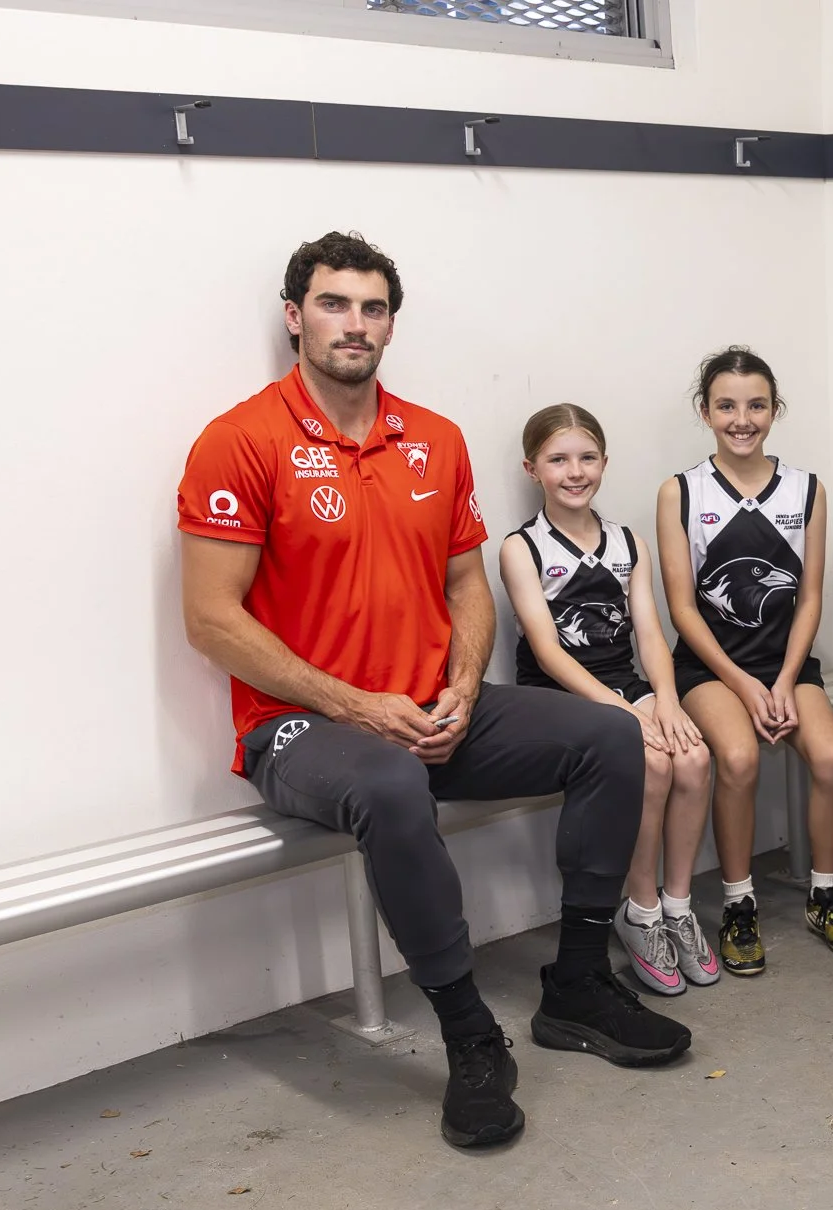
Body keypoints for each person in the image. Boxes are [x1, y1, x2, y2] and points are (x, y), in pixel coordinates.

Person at [176, 232, 689, 1152]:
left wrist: (460, 683)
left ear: (390, 324)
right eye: (334, 304)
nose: (355, 324)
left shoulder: (435, 439)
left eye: (373, 308)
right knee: (386, 783)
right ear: (295, 318)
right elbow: (212, 620)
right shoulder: (238, 442)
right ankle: (469, 1037)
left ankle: (575, 986)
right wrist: (358, 706)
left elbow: (467, 587)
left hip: (435, 707)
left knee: (610, 736)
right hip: (304, 729)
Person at [500, 403, 717, 996]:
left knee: (693, 757)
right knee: (646, 760)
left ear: (604, 462)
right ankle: (640, 912)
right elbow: (548, 652)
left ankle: (678, 906)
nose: (575, 472)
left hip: (625, 684)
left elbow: (650, 632)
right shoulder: (522, 549)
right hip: (559, 696)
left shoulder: (628, 542)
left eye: (587, 457)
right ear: (532, 468)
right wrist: (625, 716)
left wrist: (667, 702)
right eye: (558, 459)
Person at [657, 347, 833, 977]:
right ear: (705, 411)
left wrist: (783, 679)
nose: (741, 419)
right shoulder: (680, 492)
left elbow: (811, 595)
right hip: (711, 668)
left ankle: (824, 895)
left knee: (832, 757)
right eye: (726, 406)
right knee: (739, 758)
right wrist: (747, 688)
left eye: (756, 405)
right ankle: (738, 905)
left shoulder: (807, 489)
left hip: (786, 665)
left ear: (774, 410)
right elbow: (683, 608)